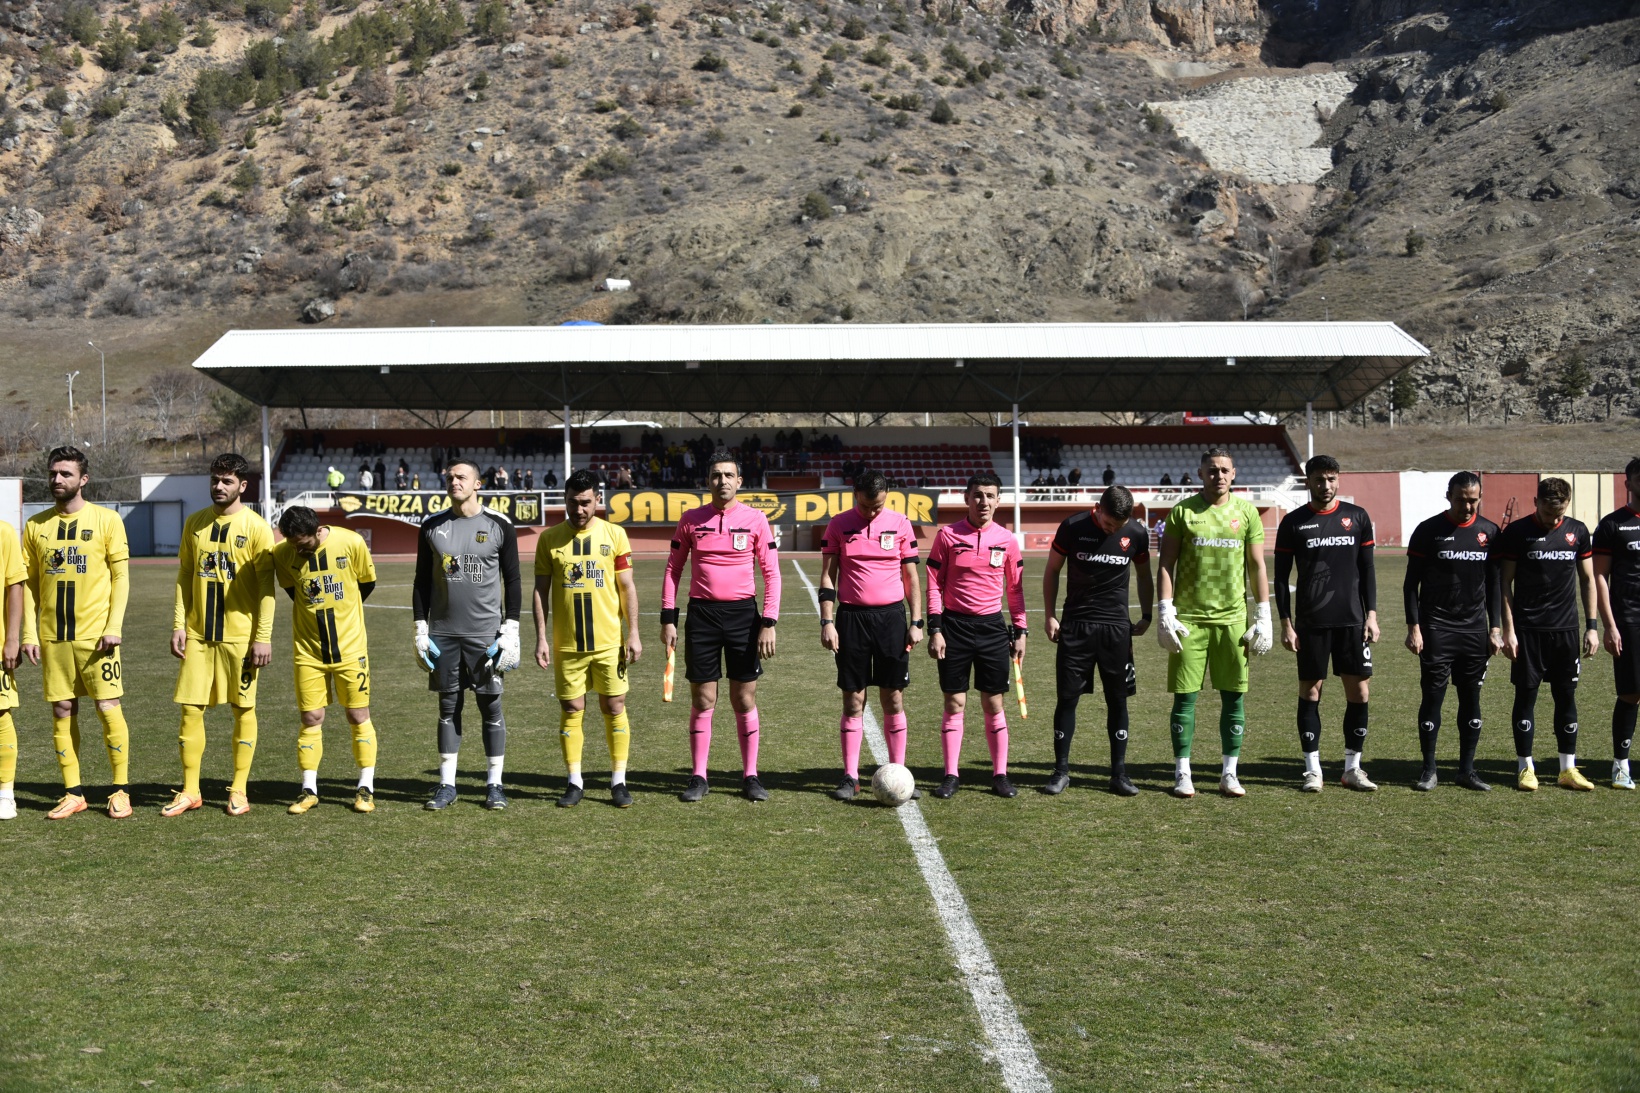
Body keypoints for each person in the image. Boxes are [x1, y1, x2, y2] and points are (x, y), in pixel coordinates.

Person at [19, 446, 133, 820]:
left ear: (83, 479)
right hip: (54, 637)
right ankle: (73, 793)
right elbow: (30, 585)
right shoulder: (35, 526)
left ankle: (120, 790)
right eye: (53, 473)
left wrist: (113, 627)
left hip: (97, 637)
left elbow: (121, 577)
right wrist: (29, 634)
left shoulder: (107, 520)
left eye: (65, 473)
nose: (57, 479)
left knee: (108, 707)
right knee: (62, 709)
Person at [662, 451, 781, 802]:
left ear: (739, 481)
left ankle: (750, 776)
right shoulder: (690, 520)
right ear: (708, 481)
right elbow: (673, 569)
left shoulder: (756, 519)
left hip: (744, 617)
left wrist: (769, 621)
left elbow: (772, 573)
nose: (722, 481)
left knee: (744, 697)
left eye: (728, 475)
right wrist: (668, 618)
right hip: (702, 616)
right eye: (716, 475)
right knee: (703, 698)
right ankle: (699, 776)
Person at [1155, 447, 1272, 799]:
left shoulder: (1247, 512)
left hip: (1233, 621)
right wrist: (1165, 611)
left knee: (1234, 699)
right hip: (1189, 621)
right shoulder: (1183, 512)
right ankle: (1182, 772)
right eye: (1211, 470)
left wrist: (1263, 614)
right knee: (1184, 699)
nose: (1218, 475)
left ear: (1233, 474)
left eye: (1224, 470)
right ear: (1200, 473)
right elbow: (1166, 563)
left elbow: (1257, 565)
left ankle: (1229, 774)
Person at [164, 453, 276, 817]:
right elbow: (185, 575)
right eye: (214, 479)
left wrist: (262, 636)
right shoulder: (195, 523)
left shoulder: (257, 527)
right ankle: (190, 791)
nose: (218, 486)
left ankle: (239, 789)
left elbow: (266, 588)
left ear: (242, 486)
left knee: (243, 709)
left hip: (239, 638)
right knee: (190, 710)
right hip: (199, 634)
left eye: (227, 481)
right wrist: (179, 624)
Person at [415, 459, 522, 811]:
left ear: (478, 484)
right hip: (443, 635)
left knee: (491, 706)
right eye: (449, 477)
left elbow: (513, 580)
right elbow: (421, 582)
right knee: (448, 707)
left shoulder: (499, 525)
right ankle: (447, 785)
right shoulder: (431, 526)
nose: (454, 481)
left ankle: (495, 785)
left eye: (461, 477)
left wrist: (510, 628)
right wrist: (420, 627)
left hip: (485, 635)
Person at [533, 469, 642, 808]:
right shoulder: (549, 539)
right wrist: (541, 637)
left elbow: (626, 587)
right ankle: (574, 782)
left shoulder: (615, 535)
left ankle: (618, 781)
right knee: (571, 708)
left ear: (597, 499)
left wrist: (633, 633)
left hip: (609, 643)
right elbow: (540, 590)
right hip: (568, 645)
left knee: (614, 706)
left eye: (584, 502)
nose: (578, 510)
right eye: (572, 503)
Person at [1274, 455, 1380, 793]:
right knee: (1311, 691)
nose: (1326, 485)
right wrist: (1286, 623)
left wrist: (1372, 615)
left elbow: (1367, 570)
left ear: (1338, 479)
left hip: (1353, 622)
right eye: (1319, 479)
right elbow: (1280, 579)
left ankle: (1352, 768)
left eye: (1331, 479)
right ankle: (1312, 770)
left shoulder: (1357, 517)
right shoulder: (1293, 523)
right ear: (1308, 481)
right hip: (1311, 623)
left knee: (1359, 692)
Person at [1041, 485, 1153, 796]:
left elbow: (1145, 575)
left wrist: (1146, 615)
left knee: (1117, 700)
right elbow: (1052, 570)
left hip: (1116, 629)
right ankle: (1061, 771)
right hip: (1076, 627)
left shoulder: (1137, 533)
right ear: (1097, 508)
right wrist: (1050, 615)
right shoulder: (1072, 526)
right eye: (1107, 524)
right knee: (1067, 699)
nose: (1112, 530)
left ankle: (1119, 774)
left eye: (1118, 526)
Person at [819, 470, 922, 801]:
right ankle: (850, 777)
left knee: (893, 697)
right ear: (855, 495)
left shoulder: (901, 523)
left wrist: (917, 621)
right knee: (853, 699)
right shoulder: (838, 524)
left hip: (891, 620)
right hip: (852, 619)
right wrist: (827, 621)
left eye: (877, 506)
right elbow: (828, 576)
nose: (871, 512)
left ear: (887, 495)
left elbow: (911, 577)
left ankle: (899, 773)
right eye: (865, 506)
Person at [273, 505, 380, 814]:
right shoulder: (283, 554)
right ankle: (308, 790)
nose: (297, 550)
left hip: (351, 649)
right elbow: (295, 593)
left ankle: (366, 788)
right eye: (292, 543)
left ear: (318, 530)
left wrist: (343, 610)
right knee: (310, 718)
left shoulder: (351, 543)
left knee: (357, 715)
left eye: (303, 543)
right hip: (308, 652)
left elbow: (367, 584)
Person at [926, 472, 1025, 799]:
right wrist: (936, 628)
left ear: (999, 500)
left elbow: (1015, 589)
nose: (984, 501)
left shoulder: (1007, 540)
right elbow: (934, 585)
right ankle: (951, 775)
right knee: (954, 701)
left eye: (990, 495)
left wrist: (1020, 629)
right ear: (967, 498)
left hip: (992, 629)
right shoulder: (947, 536)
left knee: (993, 702)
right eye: (978, 495)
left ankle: (1000, 775)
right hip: (954, 627)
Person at [1495, 477, 1599, 791]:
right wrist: (1509, 630)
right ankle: (1525, 768)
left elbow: (1588, 580)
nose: (1554, 519)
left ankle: (1567, 769)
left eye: (1560, 513)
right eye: (1548, 512)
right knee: (1526, 696)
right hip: (1528, 631)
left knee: (1566, 696)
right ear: (1536, 502)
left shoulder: (1578, 531)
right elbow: (1505, 583)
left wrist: (1592, 627)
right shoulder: (1517, 533)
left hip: (1566, 630)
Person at [1404, 471, 1502, 791]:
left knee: (1471, 698)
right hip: (1436, 628)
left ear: (1480, 498)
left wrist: (1495, 628)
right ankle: (1429, 769)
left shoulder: (1490, 532)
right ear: (1449, 496)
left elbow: (1495, 585)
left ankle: (1466, 770)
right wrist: (1414, 627)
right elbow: (1410, 584)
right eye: (1461, 499)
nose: (1467, 506)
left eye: (1473, 500)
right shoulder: (1428, 530)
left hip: (1474, 630)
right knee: (1433, 697)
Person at [1593, 457, 1640, 789]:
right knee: (1631, 692)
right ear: (1628, 483)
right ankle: (1620, 765)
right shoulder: (1612, 525)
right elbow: (1599, 576)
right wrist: (1609, 625)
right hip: (1629, 618)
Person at [0, 513, 21, 820]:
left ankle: (5, 794)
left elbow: (15, 585)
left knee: (0, 714)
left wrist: (12, 638)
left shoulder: (3, 532)